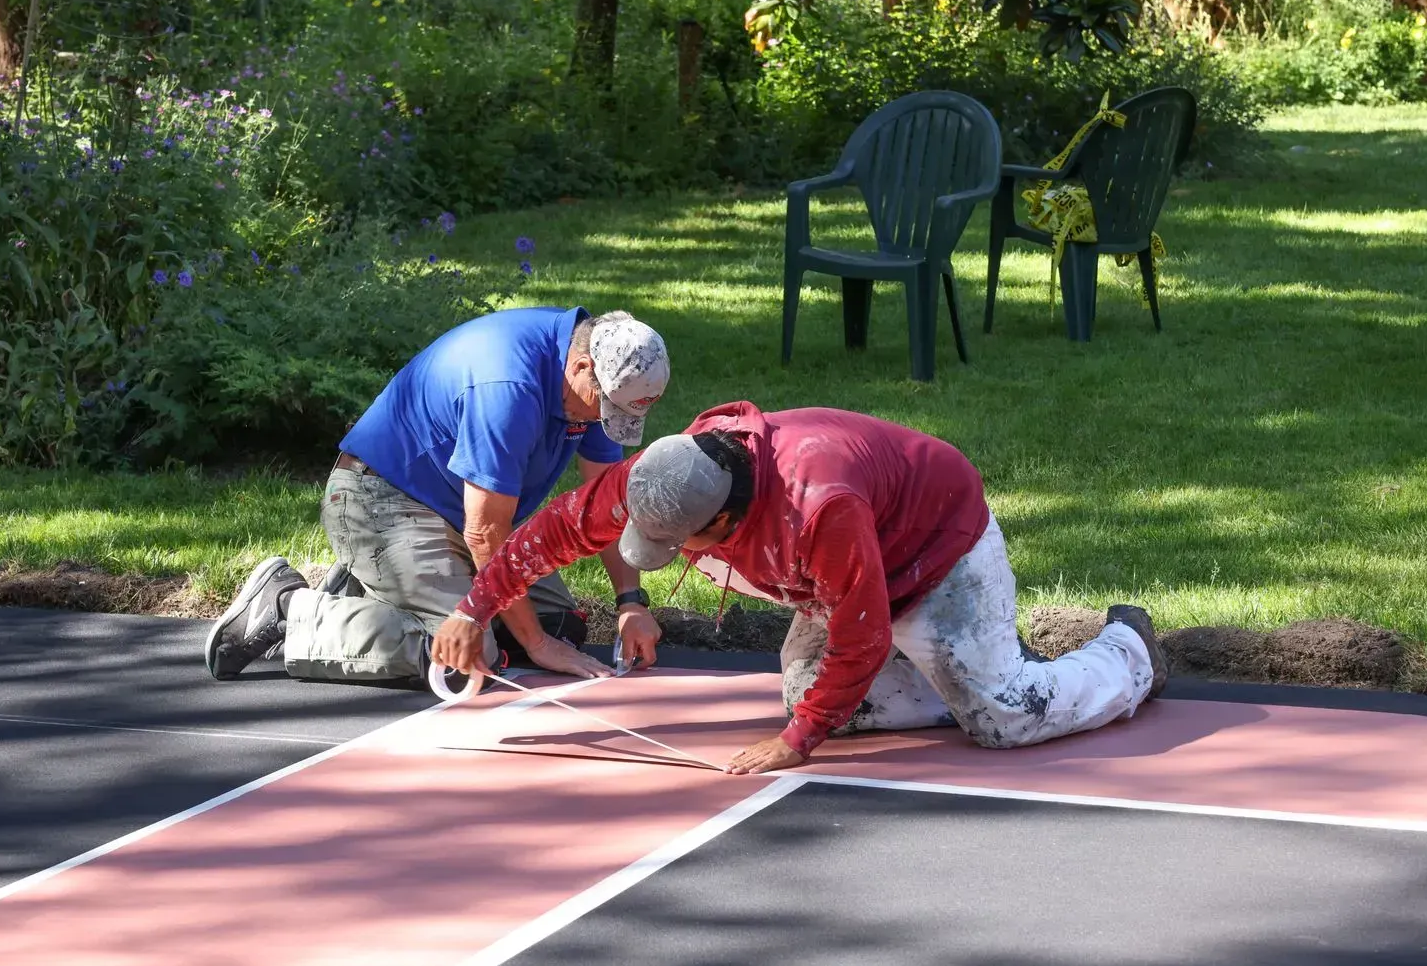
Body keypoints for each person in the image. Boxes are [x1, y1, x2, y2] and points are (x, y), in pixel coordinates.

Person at [432, 401, 1168, 775]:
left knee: (1002, 720)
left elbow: (862, 635)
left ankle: (1128, 650)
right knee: (813, 697)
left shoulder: (820, 508)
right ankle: (963, 670)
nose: (662, 554)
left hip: (935, 552)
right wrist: (475, 607)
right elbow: (554, 530)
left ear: (724, 519)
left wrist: (797, 743)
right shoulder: (665, 475)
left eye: (677, 546)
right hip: (833, 577)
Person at [205, 306, 670, 684]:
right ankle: (289, 608)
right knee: (467, 652)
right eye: (604, 408)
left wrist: (630, 601)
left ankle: (379, 589)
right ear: (582, 367)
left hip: (466, 513)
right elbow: (485, 533)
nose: (603, 422)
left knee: (559, 626)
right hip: (380, 502)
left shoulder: (596, 372)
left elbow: (604, 505)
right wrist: (536, 644)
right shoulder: (507, 387)